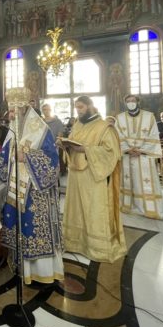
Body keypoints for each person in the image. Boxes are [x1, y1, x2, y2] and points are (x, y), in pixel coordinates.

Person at [0, 90, 64, 285]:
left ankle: (41, 272)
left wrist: (27, 157)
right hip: (16, 186)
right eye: (10, 110)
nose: (10, 114)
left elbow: (52, 160)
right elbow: (6, 153)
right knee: (19, 226)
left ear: (23, 108)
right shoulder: (15, 128)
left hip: (35, 191)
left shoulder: (41, 129)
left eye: (13, 110)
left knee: (33, 228)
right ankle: (22, 266)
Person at [60, 96, 127, 263]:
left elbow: (112, 153)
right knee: (77, 209)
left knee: (93, 209)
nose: (78, 111)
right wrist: (65, 146)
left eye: (81, 107)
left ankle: (96, 247)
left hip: (93, 177)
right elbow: (73, 144)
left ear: (90, 106)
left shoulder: (104, 127)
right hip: (75, 177)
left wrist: (85, 149)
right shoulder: (77, 125)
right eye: (76, 108)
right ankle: (75, 244)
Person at [115, 95, 163, 220]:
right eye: (128, 101)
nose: (130, 103)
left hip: (143, 156)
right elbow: (117, 136)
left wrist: (141, 150)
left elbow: (153, 135)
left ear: (138, 102)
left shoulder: (149, 116)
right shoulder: (120, 118)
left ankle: (148, 209)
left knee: (144, 182)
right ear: (125, 103)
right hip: (127, 156)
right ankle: (128, 206)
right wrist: (127, 149)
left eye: (133, 101)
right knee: (129, 181)